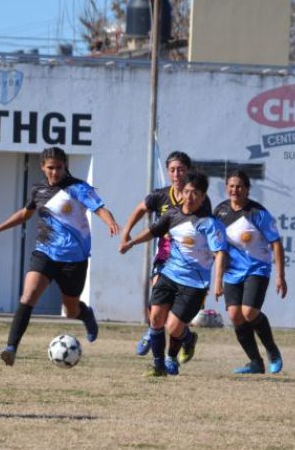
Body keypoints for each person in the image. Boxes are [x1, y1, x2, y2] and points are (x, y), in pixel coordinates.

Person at [0, 146, 119, 366]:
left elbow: (100, 208)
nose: (55, 172)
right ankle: (11, 348)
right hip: (45, 253)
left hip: (74, 259)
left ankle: (86, 315)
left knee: (70, 310)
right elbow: (24, 214)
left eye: (59, 167)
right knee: (28, 297)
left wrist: (110, 221)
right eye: (50, 168)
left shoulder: (78, 188)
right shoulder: (38, 190)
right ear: (43, 168)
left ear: (65, 166)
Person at [120, 172, 227, 377]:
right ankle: (159, 365)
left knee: (173, 327)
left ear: (203, 197)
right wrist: (131, 242)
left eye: (195, 193)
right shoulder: (172, 215)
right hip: (169, 274)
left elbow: (220, 253)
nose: (190, 197)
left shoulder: (209, 224)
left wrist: (218, 282)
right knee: (156, 319)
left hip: (195, 283)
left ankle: (185, 341)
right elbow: (153, 231)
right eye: (186, 192)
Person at [119, 151, 209, 359]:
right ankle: (153, 333)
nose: (176, 174)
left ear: (188, 171)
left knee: (174, 320)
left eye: (181, 170)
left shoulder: (199, 200)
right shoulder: (160, 195)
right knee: (157, 300)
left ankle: (184, 339)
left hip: (189, 264)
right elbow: (141, 208)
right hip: (165, 256)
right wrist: (126, 233)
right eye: (172, 170)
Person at [214, 170, 286, 374]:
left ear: (247, 189)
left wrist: (281, 276)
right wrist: (217, 277)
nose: (234, 190)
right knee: (235, 315)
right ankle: (255, 362)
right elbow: (215, 243)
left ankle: (272, 351)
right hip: (232, 271)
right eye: (231, 186)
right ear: (226, 188)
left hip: (257, 268)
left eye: (239, 186)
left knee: (249, 312)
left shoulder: (257, 213)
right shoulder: (220, 212)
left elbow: (277, 244)